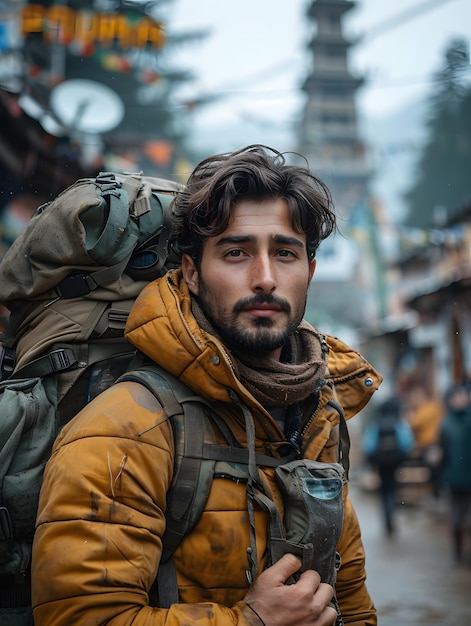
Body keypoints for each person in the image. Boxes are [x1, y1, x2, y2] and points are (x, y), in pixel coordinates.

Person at [31, 145, 382, 625]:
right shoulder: (126, 428)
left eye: (285, 253)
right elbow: (80, 618)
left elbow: (354, 605)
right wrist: (251, 621)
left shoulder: (316, 416)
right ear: (192, 273)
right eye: (236, 252)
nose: (264, 278)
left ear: (311, 271)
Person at [362, 397, 415, 535]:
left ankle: (387, 518)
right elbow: (407, 442)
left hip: (381, 462)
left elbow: (368, 445)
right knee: (393, 488)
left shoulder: (377, 424)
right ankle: (392, 514)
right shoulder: (398, 423)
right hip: (396, 461)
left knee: (384, 490)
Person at [438, 383, 471, 565]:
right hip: (453, 478)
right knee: (457, 519)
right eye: (456, 397)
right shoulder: (446, 424)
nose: (460, 399)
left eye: (462, 396)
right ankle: (458, 553)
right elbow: (442, 452)